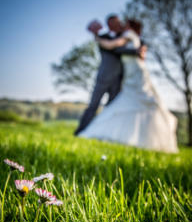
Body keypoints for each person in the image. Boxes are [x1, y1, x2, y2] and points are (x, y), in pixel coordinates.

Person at [78, 19, 178, 153]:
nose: (122, 25)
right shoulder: (112, 37)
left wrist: (140, 50)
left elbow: (115, 46)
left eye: (124, 24)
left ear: (130, 26)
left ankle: (118, 134)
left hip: (129, 75)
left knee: (129, 102)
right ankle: (83, 130)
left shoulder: (128, 35)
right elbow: (115, 48)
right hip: (116, 76)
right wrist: (96, 36)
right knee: (97, 104)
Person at [74, 15, 146, 136]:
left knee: (111, 107)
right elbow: (115, 50)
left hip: (118, 79)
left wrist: (142, 47)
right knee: (93, 105)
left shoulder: (123, 36)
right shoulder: (104, 38)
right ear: (109, 24)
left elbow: (137, 40)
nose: (117, 24)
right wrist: (95, 33)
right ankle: (81, 130)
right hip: (104, 76)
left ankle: (104, 133)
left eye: (118, 22)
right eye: (113, 22)